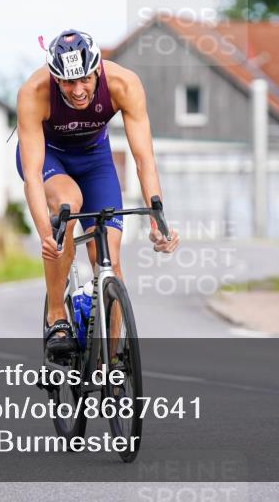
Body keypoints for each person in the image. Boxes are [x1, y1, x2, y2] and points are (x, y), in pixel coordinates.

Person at [16, 29, 180, 356]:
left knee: (109, 261)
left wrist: (157, 223)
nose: (78, 90)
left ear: (97, 70)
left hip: (95, 161)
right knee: (68, 204)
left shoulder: (123, 84)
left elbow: (144, 159)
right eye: (67, 82)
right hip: (49, 158)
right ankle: (57, 316)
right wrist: (46, 233)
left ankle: (112, 359)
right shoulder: (34, 91)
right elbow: (32, 176)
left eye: (85, 80)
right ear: (55, 77)